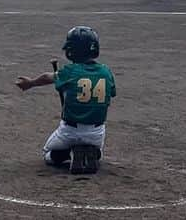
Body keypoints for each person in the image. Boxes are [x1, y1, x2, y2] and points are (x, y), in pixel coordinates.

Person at [15, 26, 116, 175]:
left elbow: (46, 78)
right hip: (96, 132)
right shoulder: (106, 71)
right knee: (96, 148)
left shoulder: (70, 71)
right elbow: (110, 94)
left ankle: (67, 154)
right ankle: (94, 153)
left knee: (47, 153)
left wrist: (30, 83)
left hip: (70, 131)